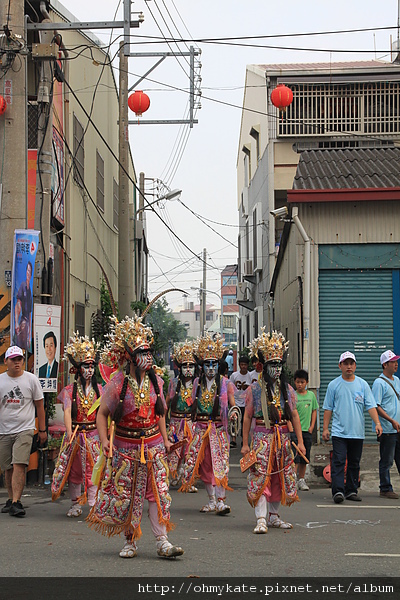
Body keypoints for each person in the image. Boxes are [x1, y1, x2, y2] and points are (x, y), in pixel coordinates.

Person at [87, 315, 183, 560]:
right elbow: (101, 415)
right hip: (125, 447)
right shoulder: (116, 383)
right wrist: (104, 440)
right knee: (127, 494)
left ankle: (162, 541)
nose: (147, 356)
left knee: (158, 492)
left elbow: (160, 413)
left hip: (153, 446)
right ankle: (130, 541)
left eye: (149, 351)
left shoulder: (156, 382)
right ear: (129, 356)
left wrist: (166, 439)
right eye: (142, 351)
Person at [241, 329, 306, 534]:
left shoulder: (288, 389)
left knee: (281, 477)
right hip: (262, 438)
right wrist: (244, 443)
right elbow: (247, 417)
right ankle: (261, 518)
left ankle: (274, 516)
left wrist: (301, 441)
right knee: (261, 476)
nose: (276, 369)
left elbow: (294, 416)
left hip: (283, 438)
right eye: (273, 365)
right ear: (265, 367)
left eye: (279, 365)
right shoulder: (255, 389)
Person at [180, 334, 235, 515]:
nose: (211, 368)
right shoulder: (196, 382)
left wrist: (234, 413)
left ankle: (221, 501)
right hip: (200, 429)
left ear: (219, 365)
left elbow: (233, 405)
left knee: (220, 465)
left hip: (218, 428)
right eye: (207, 364)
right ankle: (211, 500)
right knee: (204, 465)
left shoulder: (226, 383)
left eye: (214, 364)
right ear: (202, 366)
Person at [51, 334, 102, 517]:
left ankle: (93, 503)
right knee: (75, 471)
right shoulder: (69, 391)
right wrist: (70, 432)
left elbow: (103, 415)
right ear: (78, 369)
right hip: (76, 434)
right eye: (85, 366)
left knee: (94, 469)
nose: (89, 369)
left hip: (94, 435)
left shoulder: (100, 391)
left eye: (91, 366)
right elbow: (67, 411)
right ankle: (75, 503)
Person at [322, 351, 383, 504]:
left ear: (355, 366)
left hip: (357, 432)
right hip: (339, 432)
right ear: (340, 366)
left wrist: (377, 423)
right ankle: (338, 491)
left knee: (354, 462)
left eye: (351, 363)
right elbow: (328, 408)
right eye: (345, 363)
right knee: (339, 461)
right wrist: (325, 428)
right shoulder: (333, 385)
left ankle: (351, 490)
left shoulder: (362, 385)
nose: (349, 366)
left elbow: (370, 406)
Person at [0, 346, 46, 517]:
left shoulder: (31, 380)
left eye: (20, 359)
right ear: (6, 361)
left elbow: (40, 406)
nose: (17, 362)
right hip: (4, 430)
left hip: (24, 429)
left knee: (19, 464)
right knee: (7, 467)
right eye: (13, 359)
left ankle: (16, 502)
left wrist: (42, 429)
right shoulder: (1, 381)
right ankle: (11, 499)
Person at [166, 341, 197, 491]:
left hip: (191, 422)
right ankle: (173, 475)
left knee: (190, 452)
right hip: (176, 422)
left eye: (191, 366)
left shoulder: (198, 383)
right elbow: (166, 403)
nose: (188, 369)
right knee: (175, 450)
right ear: (180, 367)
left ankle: (187, 479)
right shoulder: (173, 382)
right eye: (185, 366)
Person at [372, 350, 400, 500]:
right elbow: (376, 406)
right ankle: (385, 487)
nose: (396, 364)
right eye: (393, 362)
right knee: (387, 459)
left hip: (398, 428)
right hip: (388, 429)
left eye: (396, 361)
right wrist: (391, 420)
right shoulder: (379, 383)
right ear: (385, 364)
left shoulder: (397, 380)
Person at [291, 369, 318, 491]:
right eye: (298, 382)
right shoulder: (292, 396)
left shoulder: (311, 395)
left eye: (302, 382)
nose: (300, 384)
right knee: (295, 457)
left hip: (307, 431)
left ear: (307, 382)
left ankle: (301, 479)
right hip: (295, 432)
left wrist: (312, 426)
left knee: (304, 457)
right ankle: (292, 479)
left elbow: (314, 411)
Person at [230, 355, 252, 448]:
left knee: (245, 421)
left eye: (245, 365)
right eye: (242, 364)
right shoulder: (234, 375)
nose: (243, 366)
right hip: (236, 401)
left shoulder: (250, 376)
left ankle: (244, 440)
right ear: (239, 365)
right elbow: (230, 387)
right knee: (234, 420)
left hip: (246, 403)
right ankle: (234, 439)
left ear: (247, 365)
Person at [14, 261, 33, 350]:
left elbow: (30, 313)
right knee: (19, 346)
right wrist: (16, 322)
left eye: (30, 271)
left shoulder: (30, 291)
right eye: (27, 271)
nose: (28, 273)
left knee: (26, 347)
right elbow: (18, 304)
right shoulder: (22, 285)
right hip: (22, 322)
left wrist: (29, 334)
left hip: (28, 324)